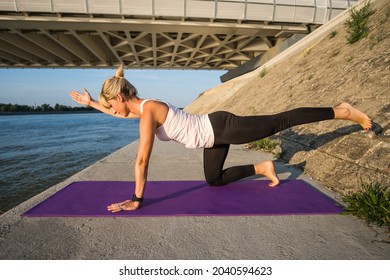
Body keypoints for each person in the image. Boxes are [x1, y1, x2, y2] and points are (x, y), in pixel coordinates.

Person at [69, 66, 372, 212]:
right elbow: (120, 115)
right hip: (211, 139)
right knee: (214, 179)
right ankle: (263, 167)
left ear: (121, 96)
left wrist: (137, 199)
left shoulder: (149, 111)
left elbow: (142, 159)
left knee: (280, 121)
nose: (113, 109)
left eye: (111, 103)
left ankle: (342, 111)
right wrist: (91, 103)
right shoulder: (142, 108)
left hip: (221, 127)